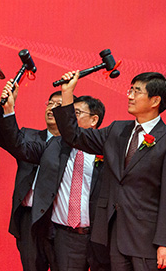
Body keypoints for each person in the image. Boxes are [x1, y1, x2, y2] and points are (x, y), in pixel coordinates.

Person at [53, 71, 166, 270]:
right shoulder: (117, 130)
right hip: (113, 237)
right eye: (130, 90)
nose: (130, 96)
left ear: (155, 100)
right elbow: (74, 136)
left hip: (147, 240)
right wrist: (67, 94)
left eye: (137, 91)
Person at [0, 82, 67, 271]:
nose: (51, 108)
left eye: (58, 105)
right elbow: (3, 138)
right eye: (50, 103)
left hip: (58, 217)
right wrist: (7, 108)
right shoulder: (28, 136)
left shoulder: (73, 145)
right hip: (29, 216)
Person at [50, 95, 110, 271]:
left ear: (94, 120)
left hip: (100, 237)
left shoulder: (109, 150)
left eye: (76, 113)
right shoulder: (57, 146)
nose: (70, 118)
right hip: (68, 238)